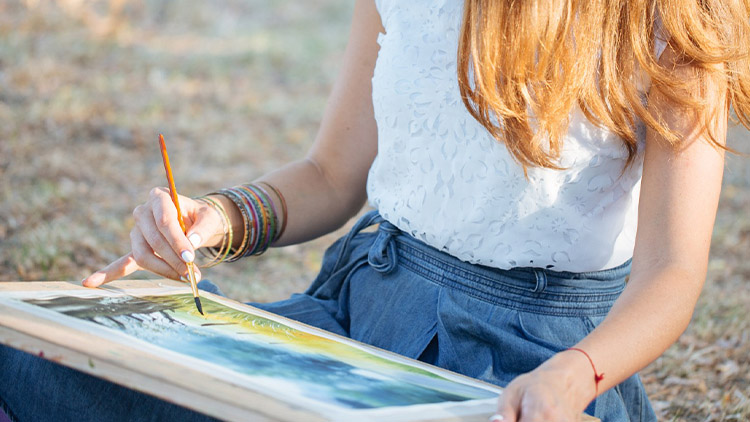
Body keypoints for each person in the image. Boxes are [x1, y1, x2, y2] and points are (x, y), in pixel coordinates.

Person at [2, 0, 749, 421]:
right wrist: (220, 218)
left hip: (527, 368)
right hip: (357, 320)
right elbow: (332, 172)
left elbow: (672, 274)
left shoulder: (676, 18)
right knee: (42, 363)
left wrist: (576, 377)